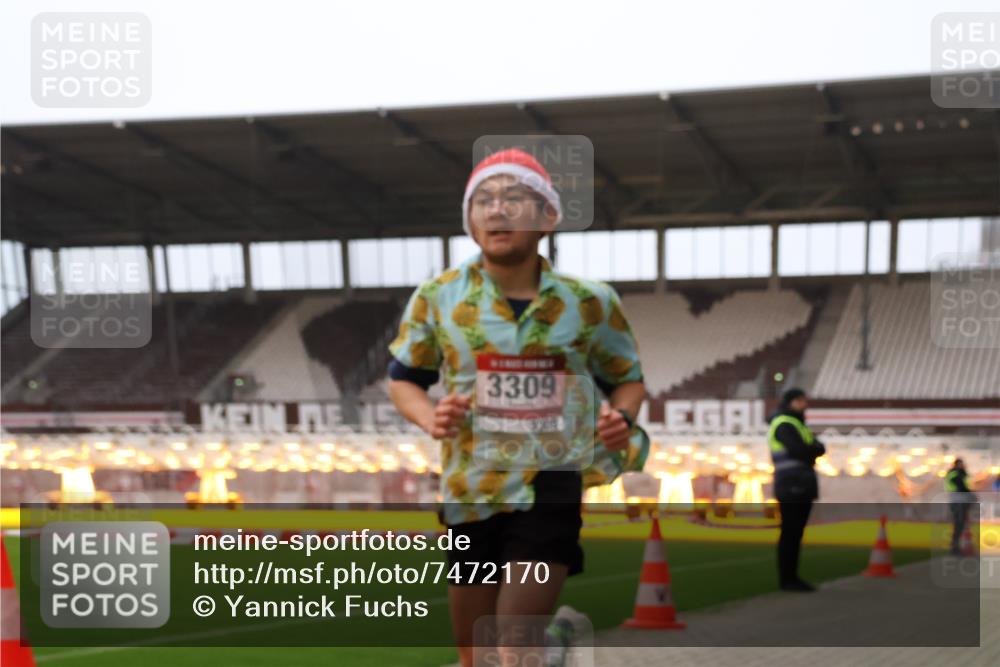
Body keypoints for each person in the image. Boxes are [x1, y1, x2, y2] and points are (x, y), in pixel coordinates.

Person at [387, 148, 650, 667]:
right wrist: (428, 415)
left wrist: (621, 418)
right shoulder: (437, 297)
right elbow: (403, 380)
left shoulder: (590, 300)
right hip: (470, 487)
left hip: (550, 483)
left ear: (548, 216)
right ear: (469, 218)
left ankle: (539, 647)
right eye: (483, 199)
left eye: (514, 199)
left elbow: (629, 381)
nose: (496, 210)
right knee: (473, 654)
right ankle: (556, 645)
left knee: (511, 647)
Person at [768, 387, 825, 592]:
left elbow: (819, 448)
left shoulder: (797, 425)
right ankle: (788, 579)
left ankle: (791, 577)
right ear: (791, 402)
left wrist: (812, 451)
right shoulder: (784, 424)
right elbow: (803, 450)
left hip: (799, 482)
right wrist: (812, 452)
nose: (804, 404)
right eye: (800, 401)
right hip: (792, 483)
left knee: (795, 532)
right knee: (791, 532)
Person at [944, 458, 977, 556]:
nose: (963, 465)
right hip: (958, 502)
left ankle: (957, 547)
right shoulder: (955, 474)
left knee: (960, 525)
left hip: (959, 501)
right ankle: (955, 548)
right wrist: (971, 495)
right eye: (961, 464)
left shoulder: (958, 473)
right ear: (958, 464)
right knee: (959, 526)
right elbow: (961, 487)